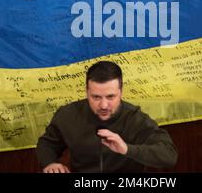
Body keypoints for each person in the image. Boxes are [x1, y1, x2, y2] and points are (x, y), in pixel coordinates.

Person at [36, 61, 178, 173]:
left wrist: (127, 149)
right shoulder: (68, 115)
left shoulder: (135, 119)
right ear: (87, 92)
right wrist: (50, 163)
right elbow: (47, 143)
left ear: (121, 92)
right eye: (96, 97)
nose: (103, 105)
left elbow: (169, 155)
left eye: (110, 96)